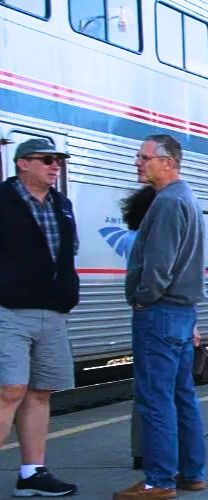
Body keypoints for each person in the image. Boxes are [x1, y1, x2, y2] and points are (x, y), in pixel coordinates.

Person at [116, 134, 208, 499]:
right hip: (182, 313)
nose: (137, 163)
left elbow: (159, 265)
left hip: (160, 312)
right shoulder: (186, 198)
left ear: (168, 162)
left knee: (155, 398)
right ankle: (192, 472)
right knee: (182, 394)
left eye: (144, 157)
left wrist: (143, 298)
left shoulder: (168, 203)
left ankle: (158, 480)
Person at [0, 139, 80, 497]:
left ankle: (32, 473)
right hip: (9, 311)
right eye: (47, 160)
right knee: (9, 389)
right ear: (22, 164)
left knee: (40, 392)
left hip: (53, 311)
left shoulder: (63, 206)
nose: (55, 166)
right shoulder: (3, 202)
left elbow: (68, 251)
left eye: (58, 161)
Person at [120, 185, 156, 473]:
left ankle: (140, 450)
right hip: (153, 314)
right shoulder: (145, 238)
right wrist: (143, 299)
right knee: (154, 386)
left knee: (143, 383)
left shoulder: (132, 236)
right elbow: (144, 275)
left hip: (143, 314)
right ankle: (149, 451)